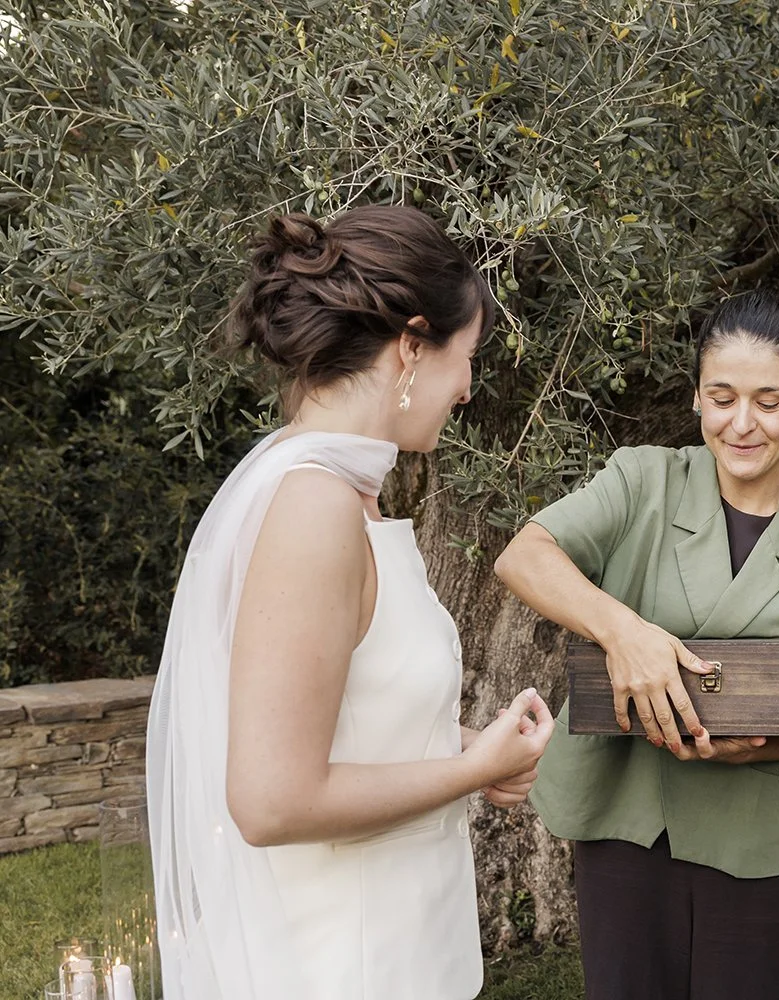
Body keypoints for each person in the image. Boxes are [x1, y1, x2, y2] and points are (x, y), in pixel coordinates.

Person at [145, 205, 554, 1000]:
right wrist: (472, 769)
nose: (468, 388)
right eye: (465, 357)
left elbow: (344, 717)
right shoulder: (313, 506)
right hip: (341, 968)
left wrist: (475, 745)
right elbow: (271, 800)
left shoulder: (340, 494)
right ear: (410, 344)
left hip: (398, 953)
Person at [494, 289, 779, 1000]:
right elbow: (525, 556)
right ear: (697, 398)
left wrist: (757, 742)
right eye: (721, 397)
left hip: (754, 833)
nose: (742, 423)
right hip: (624, 819)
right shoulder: (643, 479)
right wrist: (624, 632)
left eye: (768, 400)